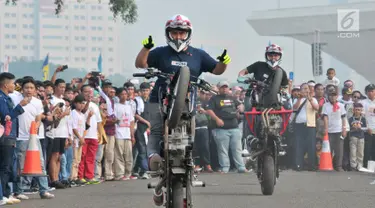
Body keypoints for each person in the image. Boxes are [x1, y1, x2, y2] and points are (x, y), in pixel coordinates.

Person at [134, 14, 230, 171]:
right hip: (158, 98)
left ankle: (187, 157)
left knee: (189, 130)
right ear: (169, 34)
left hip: (187, 100)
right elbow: (140, 64)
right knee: (156, 130)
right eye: (174, 33)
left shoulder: (198, 54)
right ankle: (153, 155)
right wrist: (146, 48)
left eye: (181, 33)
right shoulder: (160, 52)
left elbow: (217, 70)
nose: (178, 36)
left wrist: (223, 63)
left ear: (188, 34)